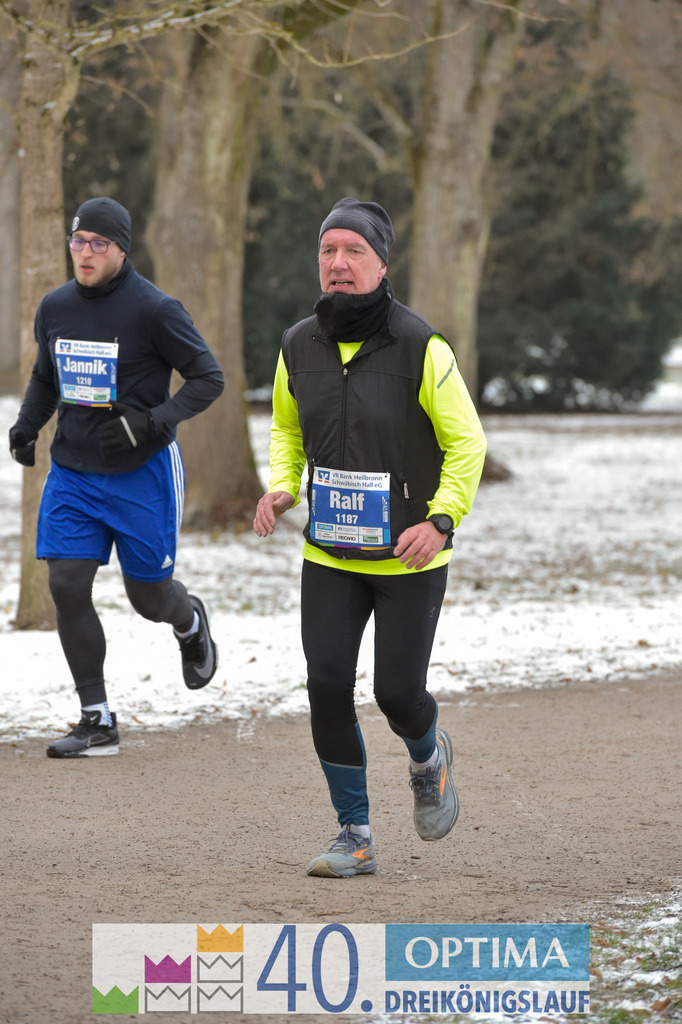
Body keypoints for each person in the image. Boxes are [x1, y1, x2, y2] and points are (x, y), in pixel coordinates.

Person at [253, 197, 487, 877]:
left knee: (396, 694)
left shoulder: (421, 345)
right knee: (326, 684)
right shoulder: (299, 343)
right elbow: (287, 428)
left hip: (408, 556)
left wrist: (440, 519)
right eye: (328, 251)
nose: (338, 263)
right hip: (329, 551)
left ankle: (427, 757)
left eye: (354, 251)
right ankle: (354, 834)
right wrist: (283, 483)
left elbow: (465, 442)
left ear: (382, 263)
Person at [9, 196, 224, 758]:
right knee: (65, 585)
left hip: (141, 474)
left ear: (121, 249)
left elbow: (208, 377)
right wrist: (28, 427)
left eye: (97, 244)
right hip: (75, 472)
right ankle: (96, 718)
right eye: (77, 242)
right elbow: (44, 376)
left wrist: (153, 423)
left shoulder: (155, 309)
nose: (84, 253)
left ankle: (188, 618)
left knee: (148, 599)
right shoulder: (55, 307)